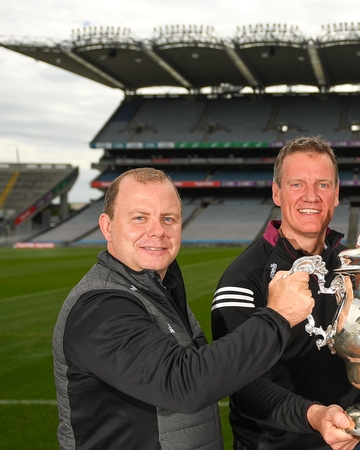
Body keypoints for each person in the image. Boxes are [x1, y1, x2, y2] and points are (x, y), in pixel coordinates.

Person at [53, 167, 315, 450]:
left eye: (168, 219)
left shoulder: (157, 289)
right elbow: (185, 384)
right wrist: (277, 316)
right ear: (107, 226)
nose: (157, 231)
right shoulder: (99, 307)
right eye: (139, 218)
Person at [211, 137, 360, 450]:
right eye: (297, 184)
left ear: (337, 194)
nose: (311, 196)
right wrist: (314, 416)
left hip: (351, 442)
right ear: (277, 192)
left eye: (323, 184)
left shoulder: (355, 268)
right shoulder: (241, 278)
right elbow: (242, 385)